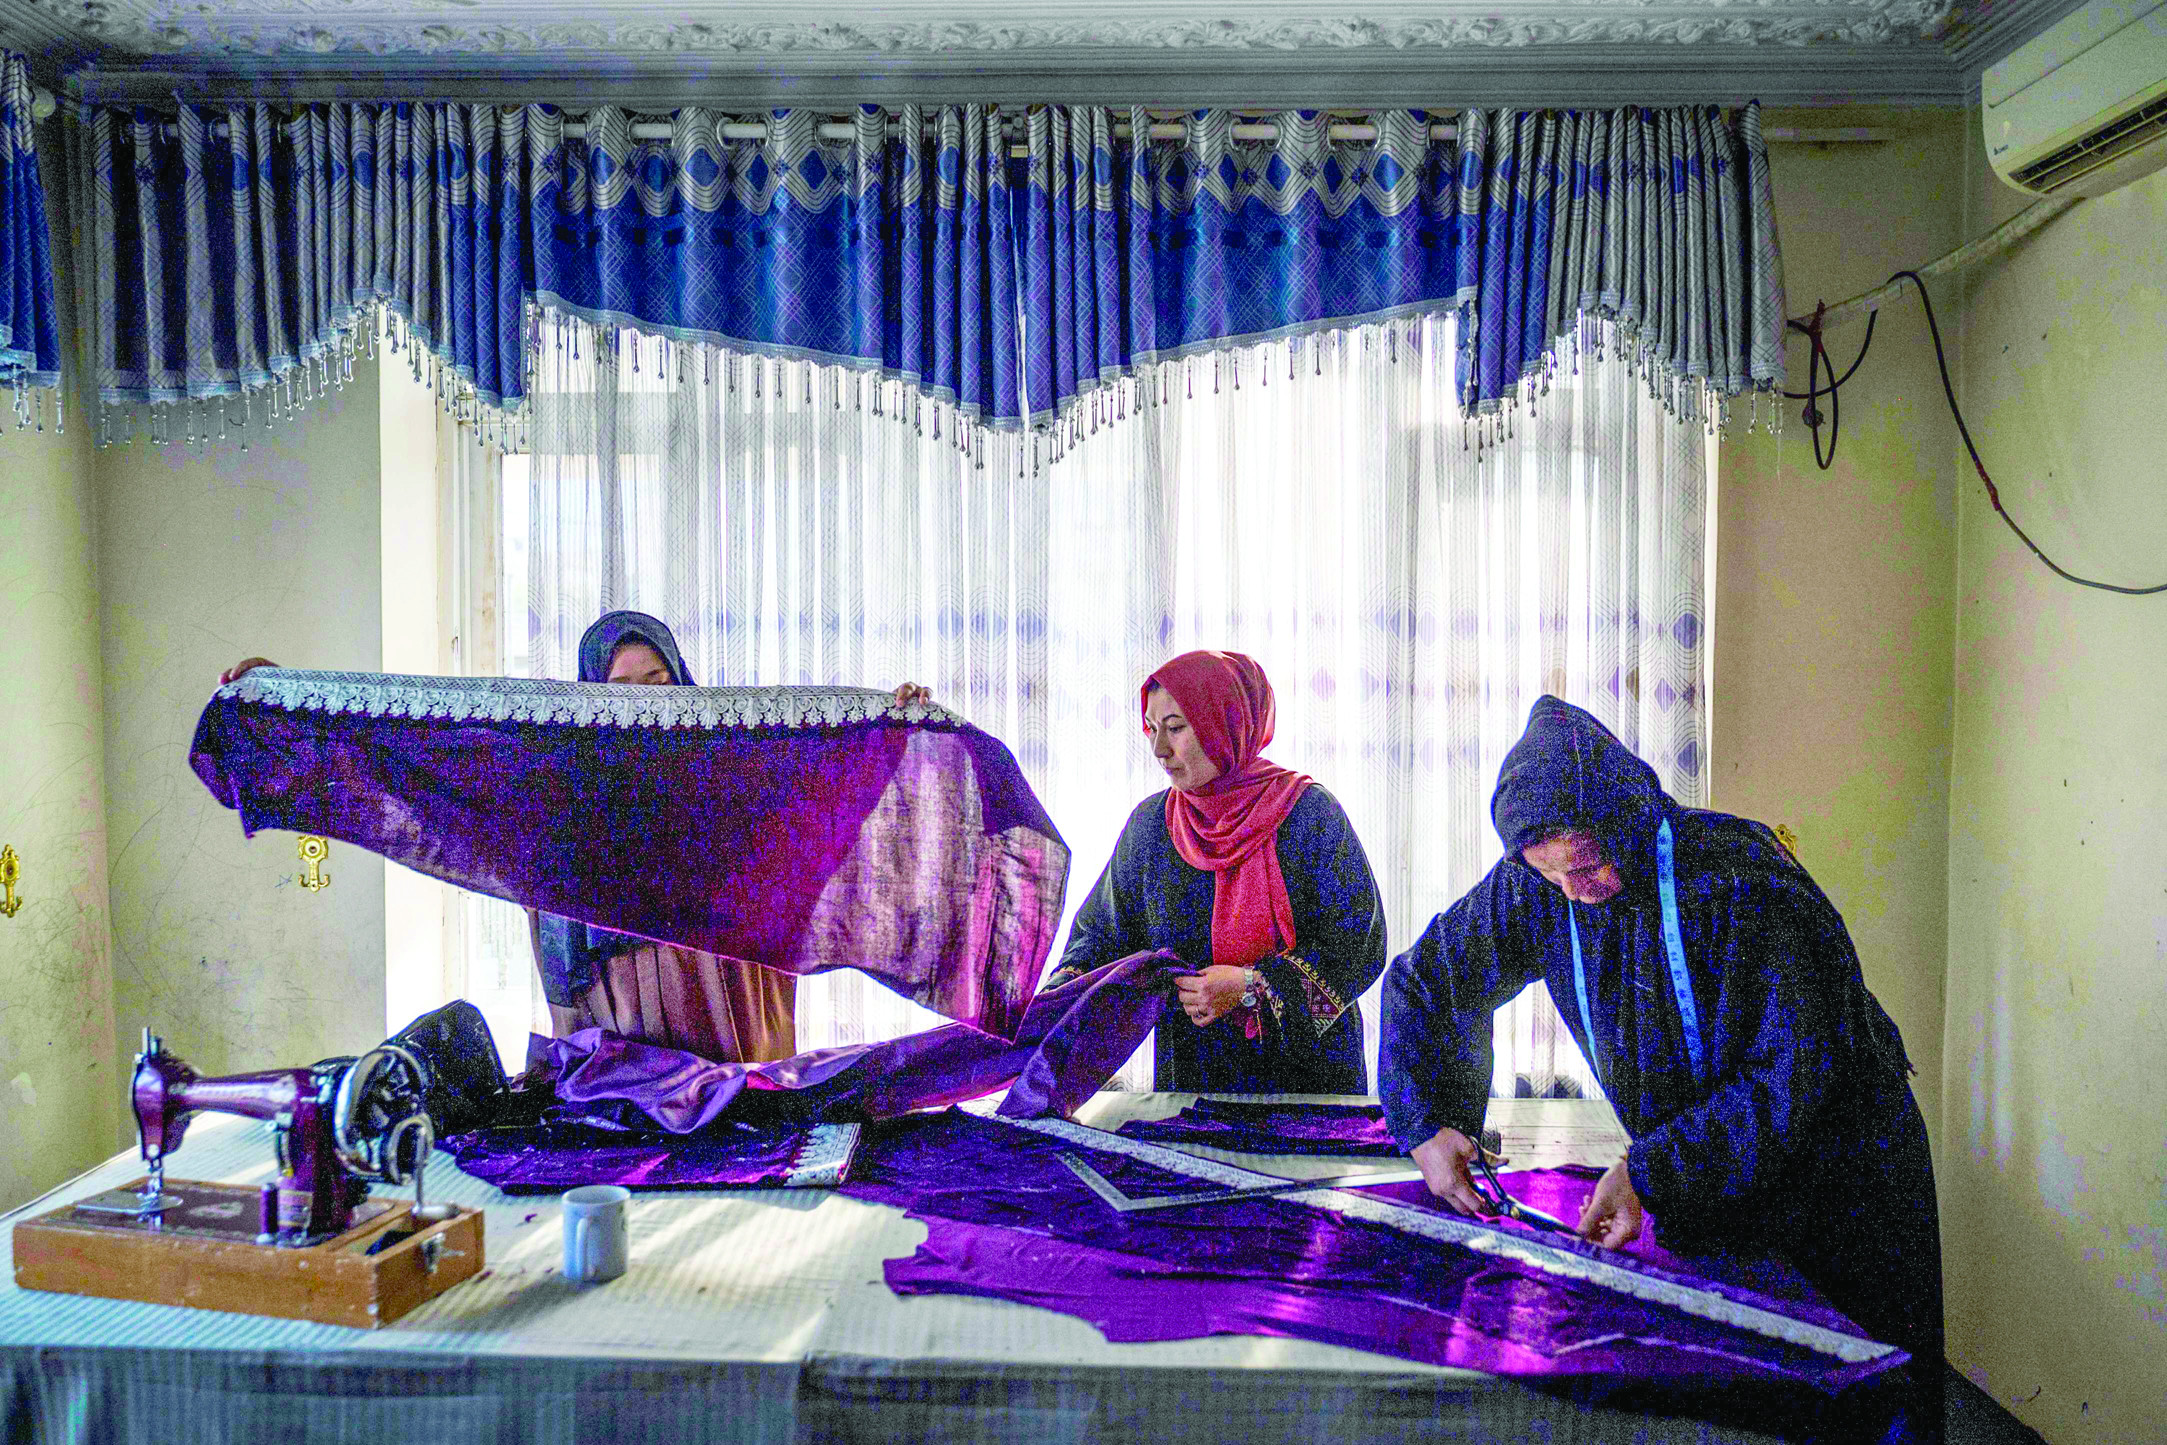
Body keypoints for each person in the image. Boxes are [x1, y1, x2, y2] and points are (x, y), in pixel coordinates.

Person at [1380, 696, 1943, 1439]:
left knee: (1861, 1390)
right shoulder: (1539, 885)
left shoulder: (1742, 879)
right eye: (1552, 878)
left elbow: (1792, 1073)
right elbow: (1424, 981)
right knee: (1741, 1395)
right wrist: (1428, 1124)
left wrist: (1654, 1170)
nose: (1574, 892)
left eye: (1587, 866)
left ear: (1627, 820)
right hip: (1713, 1168)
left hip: (1838, 1170)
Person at [217, 609, 932, 1066]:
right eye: (626, 683)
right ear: (595, 690)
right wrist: (283, 699)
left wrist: (894, 725)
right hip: (627, 999)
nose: (649, 699)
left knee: (742, 1135)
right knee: (635, 1137)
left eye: (660, 678)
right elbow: (422, 751)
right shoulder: (564, 774)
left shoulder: (733, 754)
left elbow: (826, 783)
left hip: (728, 988)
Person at [1046, 650, 1385, 1093]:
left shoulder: (1306, 814)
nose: (1159, 749)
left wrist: (1253, 986)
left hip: (1311, 1087)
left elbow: (1361, 945)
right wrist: (1045, 1012)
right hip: (1194, 1089)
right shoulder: (1152, 829)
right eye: (1152, 728)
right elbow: (1100, 942)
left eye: (1176, 728)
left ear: (1225, 725)